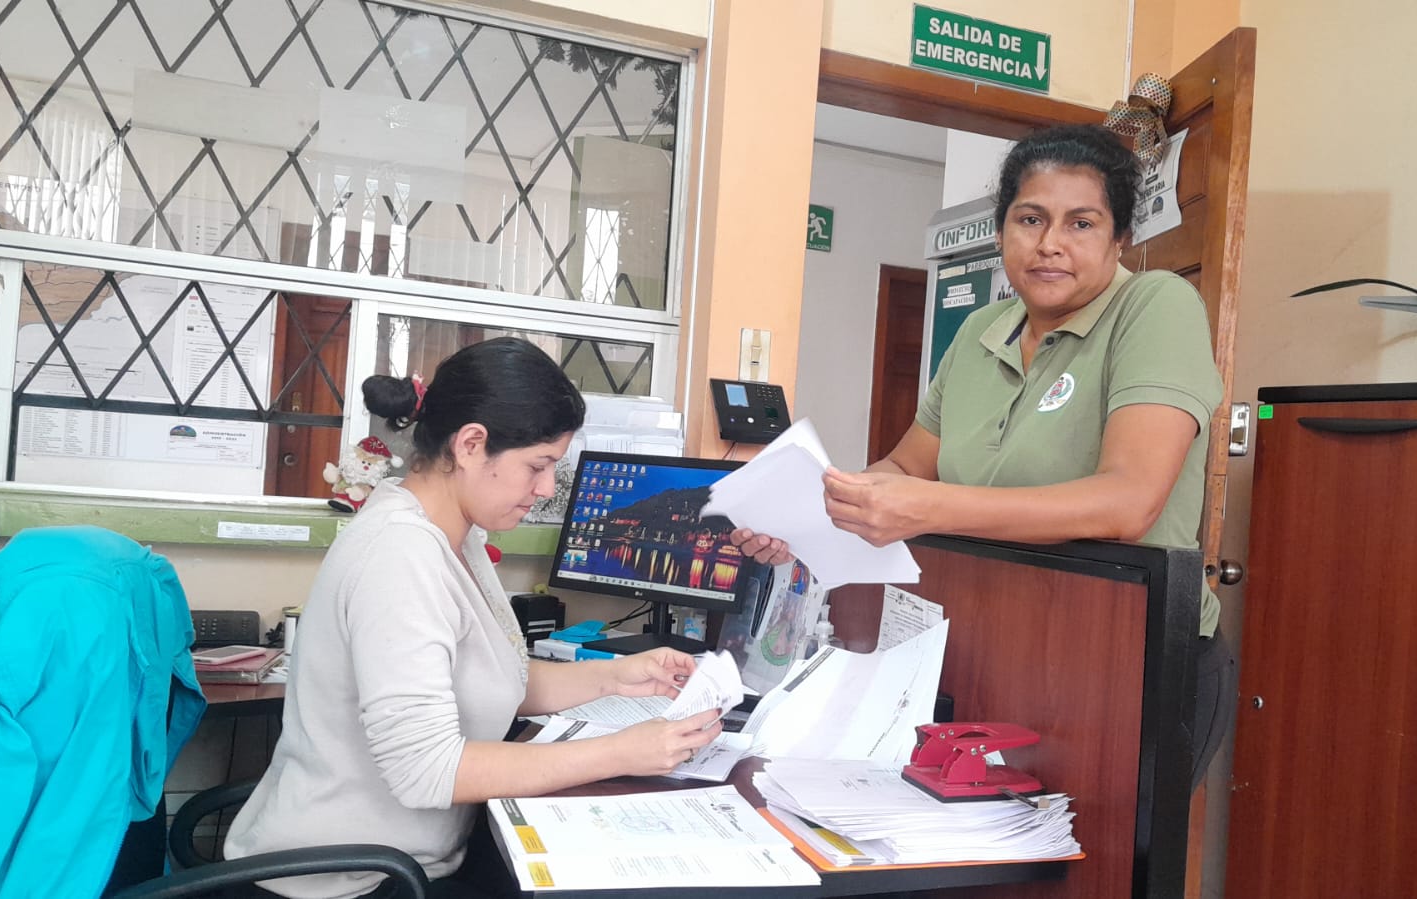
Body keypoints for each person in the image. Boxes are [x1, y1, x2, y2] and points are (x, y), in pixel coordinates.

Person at [734, 124, 1234, 785]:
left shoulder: (1156, 306)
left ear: (1120, 239)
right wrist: (809, 516)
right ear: (1001, 232)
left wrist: (927, 507)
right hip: (998, 647)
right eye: (1030, 219)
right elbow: (905, 468)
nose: (1050, 243)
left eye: (1081, 223)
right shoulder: (979, 330)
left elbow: (1128, 501)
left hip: (1129, 657)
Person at [225, 337, 723, 899]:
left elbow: (491, 677)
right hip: (346, 881)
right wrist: (623, 752)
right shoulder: (399, 554)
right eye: (538, 466)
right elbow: (428, 771)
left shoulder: (455, 537)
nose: (545, 489)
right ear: (470, 445)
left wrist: (617, 677)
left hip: (413, 860)